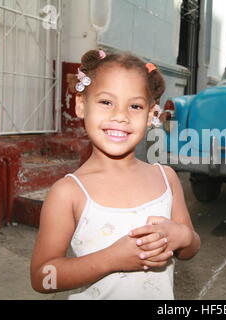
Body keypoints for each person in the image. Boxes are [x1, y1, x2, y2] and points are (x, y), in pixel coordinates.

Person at [30, 49, 201, 300]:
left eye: (134, 106)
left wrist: (183, 237)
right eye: (106, 102)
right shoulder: (68, 193)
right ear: (81, 105)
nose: (120, 116)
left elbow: (190, 249)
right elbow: (42, 278)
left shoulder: (166, 178)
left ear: (151, 115)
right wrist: (111, 260)